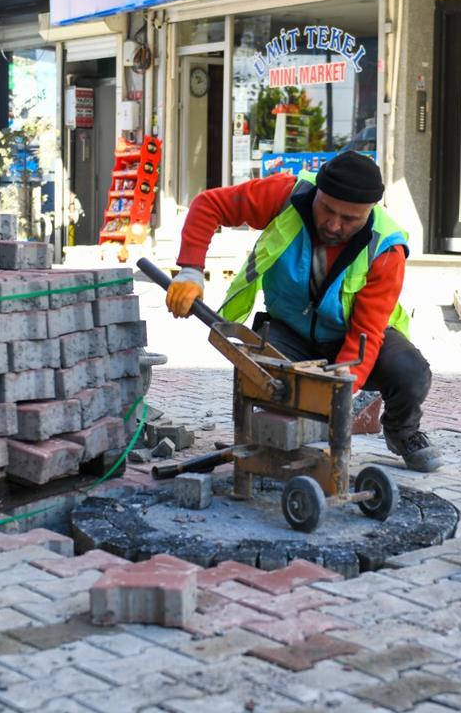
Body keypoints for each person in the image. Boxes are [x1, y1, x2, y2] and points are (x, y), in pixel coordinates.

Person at [165, 151, 440, 472]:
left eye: (349, 219)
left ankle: (403, 432)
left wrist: (336, 396)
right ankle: (268, 438)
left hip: (356, 341)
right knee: (267, 379)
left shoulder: (386, 247)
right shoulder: (288, 196)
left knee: (410, 372)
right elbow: (210, 205)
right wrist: (190, 270)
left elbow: (366, 331)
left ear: (370, 211)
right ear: (317, 193)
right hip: (290, 330)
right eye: (327, 209)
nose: (334, 225)